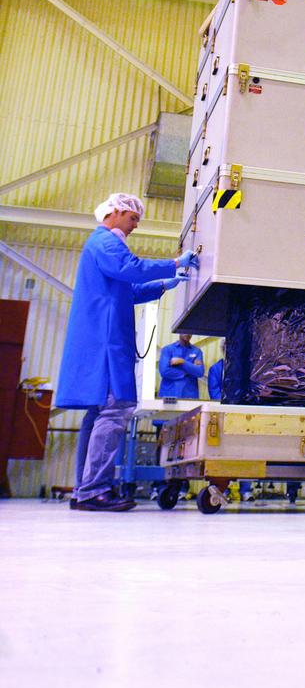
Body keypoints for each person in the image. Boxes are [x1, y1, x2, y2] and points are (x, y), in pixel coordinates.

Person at [55, 193, 197, 512]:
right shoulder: (106, 242)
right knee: (116, 408)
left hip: (103, 340)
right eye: (133, 218)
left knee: (97, 414)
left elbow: (128, 291)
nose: (135, 226)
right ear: (116, 211)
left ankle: (84, 489)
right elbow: (129, 268)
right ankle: (94, 490)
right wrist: (175, 263)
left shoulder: (100, 246)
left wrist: (164, 284)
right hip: (107, 342)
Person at [158, 333, 205, 398]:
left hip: (190, 395)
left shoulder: (197, 351)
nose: (187, 333)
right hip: (169, 394)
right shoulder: (168, 349)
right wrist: (188, 371)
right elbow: (164, 371)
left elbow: (200, 372)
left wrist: (182, 362)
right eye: (185, 330)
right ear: (179, 331)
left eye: (190, 331)